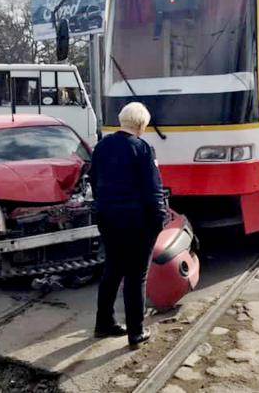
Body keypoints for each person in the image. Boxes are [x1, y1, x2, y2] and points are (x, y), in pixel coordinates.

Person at [89, 102, 168, 349]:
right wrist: (159, 220)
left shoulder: (102, 146)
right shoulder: (143, 148)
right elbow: (153, 190)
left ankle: (104, 323)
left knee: (112, 270)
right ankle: (136, 332)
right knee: (136, 276)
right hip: (137, 223)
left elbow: (93, 179)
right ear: (142, 125)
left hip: (107, 218)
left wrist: (104, 205)